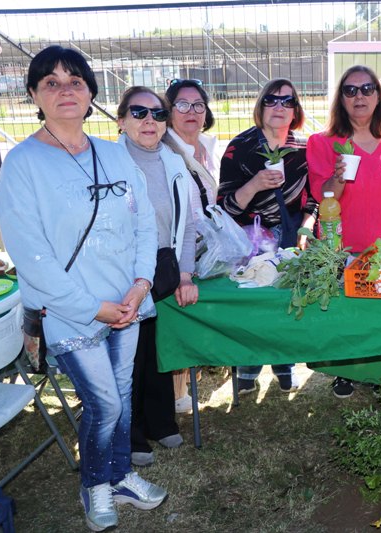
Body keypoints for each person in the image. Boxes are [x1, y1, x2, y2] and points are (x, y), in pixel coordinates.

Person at [0, 45, 166, 532]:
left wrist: (139, 285)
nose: (64, 89)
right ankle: (95, 485)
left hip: (126, 304)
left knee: (124, 393)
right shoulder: (23, 164)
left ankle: (122, 476)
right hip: (71, 312)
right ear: (34, 94)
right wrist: (96, 308)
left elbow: (144, 228)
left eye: (75, 80)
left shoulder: (114, 154)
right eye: (50, 81)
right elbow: (31, 256)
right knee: (105, 403)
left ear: (91, 92)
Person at [307, 65, 381, 397]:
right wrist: (338, 177)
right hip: (342, 247)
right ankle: (345, 371)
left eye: (367, 89)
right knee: (346, 314)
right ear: (341, 99)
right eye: (350, 91)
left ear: (378, 96)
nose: (359, 96)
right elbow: (324, 197)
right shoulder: (323, 143)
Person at [116, 86, 200, 467]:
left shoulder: (173, 160)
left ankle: (160, 420)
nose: (150, 121)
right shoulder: (109, 161)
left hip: (164, 264)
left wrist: (185, 274)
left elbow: (187, 223)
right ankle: (131, 434)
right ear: (122, 119)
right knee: (130, 353)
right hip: (124, 267)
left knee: (156, 347)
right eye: (139, 112)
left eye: (157, 114)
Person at [218, 78, 316, 394]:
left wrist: (306, 227)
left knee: (284, 302)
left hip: (290, 237)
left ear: (296, 110)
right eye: (272, 100)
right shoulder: (240, 147)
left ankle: (284, 364)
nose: (279, 107)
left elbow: (313, 198)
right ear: (261, 106)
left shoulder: (303, 149)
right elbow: (225, 207)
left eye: (287, 101)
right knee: (253, 305)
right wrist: (256, 184)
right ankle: (247, 364)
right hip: (250, 240)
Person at [162, 78, 220, 414]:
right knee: (178, 315)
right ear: (169, 112)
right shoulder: (166, 151)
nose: (191, 111)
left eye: (198, 104)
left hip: (203, 247)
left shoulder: (206, 146)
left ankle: (181, 386)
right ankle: (174, 393)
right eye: (182, 104)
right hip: (177, 249)